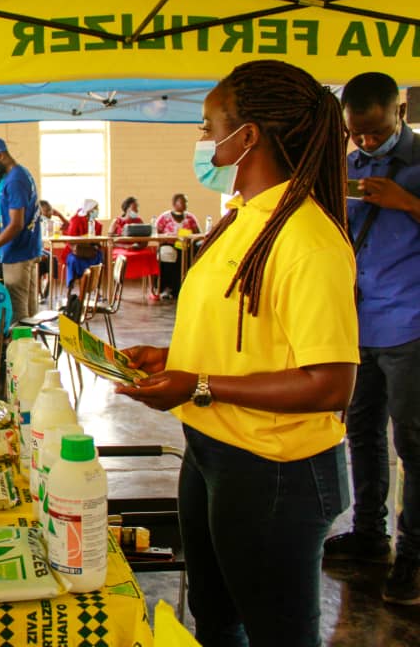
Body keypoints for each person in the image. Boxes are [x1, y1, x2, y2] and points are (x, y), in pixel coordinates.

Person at [118, 59, 358, 647]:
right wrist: (174, 355)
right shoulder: (245, 220)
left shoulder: (306, 237)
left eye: (208, 126)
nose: (202, 141)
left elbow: (331, 383)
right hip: (213, 449)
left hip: (275, 470)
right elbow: (248, 331)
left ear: (246, 135)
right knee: (216, 615)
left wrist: (199, 384)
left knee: (278, 632)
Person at [323, 72, 420, 605]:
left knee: (413, 443)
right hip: (357, 325)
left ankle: (413, 557)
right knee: (361, 433)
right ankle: (368, 533)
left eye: (374, 131)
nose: (364, 141)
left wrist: (407, 202)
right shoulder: (347, 165)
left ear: (399, 110)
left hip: (411, 325)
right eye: (355, 133)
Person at [0, 138, 42, 325]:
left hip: (17, 253)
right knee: (29, 314)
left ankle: (19, 352)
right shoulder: (22, 173)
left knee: (17, 316)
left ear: (1, 156)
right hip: (28, 249)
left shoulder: (14, 181)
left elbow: (15, 225)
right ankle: (28, 350)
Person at [109, 196, 160, 299]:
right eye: (134, 207)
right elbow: (110, 239)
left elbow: (145, 238)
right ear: (127, 208)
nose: (136, 210)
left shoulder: (139, 220)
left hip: (136, 248)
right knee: (122, 258)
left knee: (150, 255)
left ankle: (151, 290)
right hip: (120, 248)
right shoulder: (117, 221)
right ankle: (117, 290)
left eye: (137, 207)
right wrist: (125, 246)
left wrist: (137, 246)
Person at [154, 193, 201, 298]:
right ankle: (166, 288)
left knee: (194, 254)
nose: (185, 204)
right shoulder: (164, 217)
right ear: (174, 204)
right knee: (168, 255)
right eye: (182, 202)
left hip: (186, 246)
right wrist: (167, 237)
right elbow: (155, 233)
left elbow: (198, 233)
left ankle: (184, 287)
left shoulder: (190, 217)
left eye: (186, 202)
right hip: (169, 244)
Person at [60, 199, 104, 290]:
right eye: (96, 209)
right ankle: (71, 286)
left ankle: (95, 286)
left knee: (100, 256)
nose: (97, 211)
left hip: (90, 251)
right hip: (75, 251)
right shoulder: (75, 220)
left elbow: (97, 242)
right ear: (89, 210)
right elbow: (70, 240)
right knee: (74, 260)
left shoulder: (98, 224)